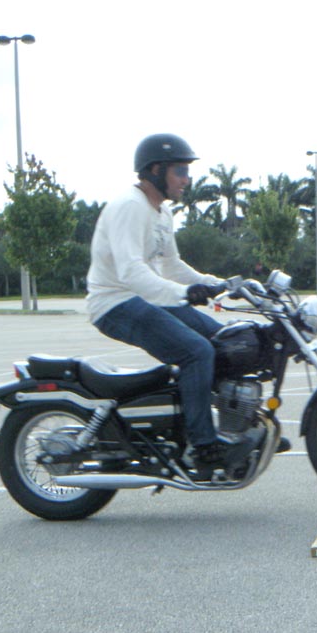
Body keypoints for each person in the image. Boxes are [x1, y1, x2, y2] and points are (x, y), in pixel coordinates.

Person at [85, 133, 230, 475]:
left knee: (226, 339)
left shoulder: (162, 211)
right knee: (197, 352)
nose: (186, 179)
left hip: (146, 299)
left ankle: (230, 427)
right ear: (155, 170)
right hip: (115, 303)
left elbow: (172, 265)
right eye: (180, 170)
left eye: (187, 171)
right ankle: (202, 446)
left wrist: (215, 284)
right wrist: (184, 294)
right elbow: (131, 271)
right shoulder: (130, 207)